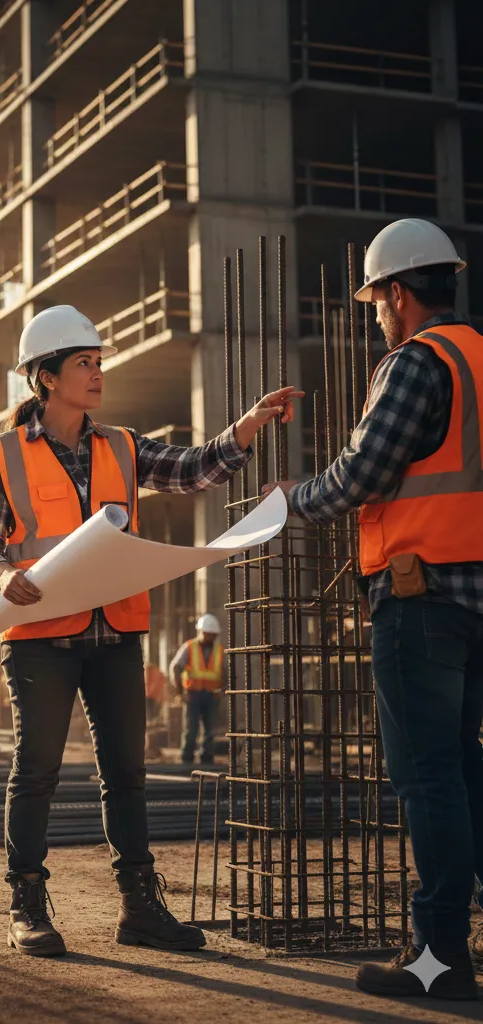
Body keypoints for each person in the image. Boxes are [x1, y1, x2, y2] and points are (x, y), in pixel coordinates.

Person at [0, 303, 299, 957]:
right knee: (35, 773)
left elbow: (191, 468)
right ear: (45, 376)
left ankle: (140, 910)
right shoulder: (4, 453)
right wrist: (2, 575)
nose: (97, 373)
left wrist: (245, 429)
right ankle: (27, 904)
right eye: (84, 363)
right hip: (39, 636)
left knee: (127, 773)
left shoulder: (120, 444)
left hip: (115, 632)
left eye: (98, 362)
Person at [267, 218, 481, 1001]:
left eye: (376, 301)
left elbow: (363, 471)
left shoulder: (416, 362)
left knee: (428, 779)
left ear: (398, 292)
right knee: (464, 770)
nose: (376, 316)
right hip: (479, 599)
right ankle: (453, 942)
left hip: (421, 599)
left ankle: (438, 957)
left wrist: (292, 500)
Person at [170, 614, 225, 764]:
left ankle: (207, 758)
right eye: (209, 634)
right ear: (201, 632)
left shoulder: (219, 650)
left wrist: (223, 690)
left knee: (210, 731)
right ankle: (186, 758)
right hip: (193, 695)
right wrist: (180, 691)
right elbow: (175, 666)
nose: (211, 638)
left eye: (214, 635)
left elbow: (225, 672)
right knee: (191, 729)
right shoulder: (189, 647)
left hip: (211, 696)